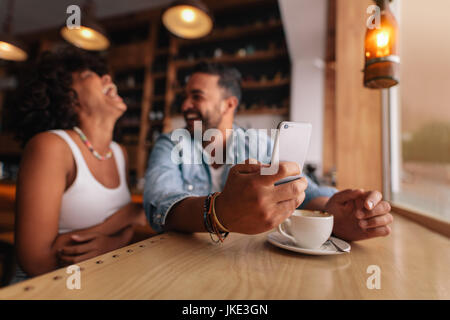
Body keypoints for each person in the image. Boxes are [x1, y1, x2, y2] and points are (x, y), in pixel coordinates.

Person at [144, 62, 393, 241]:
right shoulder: (170, 144)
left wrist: (333, 211)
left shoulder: (258, 144)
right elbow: (159, 206)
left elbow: (303, 193)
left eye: (196, 96)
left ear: (229, 104)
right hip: (181, 263)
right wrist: (220, 211)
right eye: (185, 97)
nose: (185, 105)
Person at [10, 47, 148, 284]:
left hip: (96, 281)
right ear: (69, 99)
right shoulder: (51, 146)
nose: (108, 78)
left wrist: (115, 239)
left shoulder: (119, 152)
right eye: (88, 75)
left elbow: (137, 219)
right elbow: (36, 262)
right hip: (44, 289)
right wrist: (125, 222)